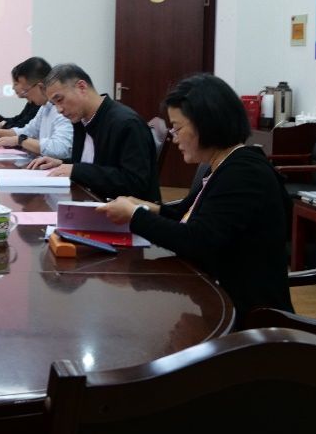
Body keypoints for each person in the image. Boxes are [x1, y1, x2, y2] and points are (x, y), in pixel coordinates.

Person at [97, 74, 293, 320]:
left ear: (206, 124)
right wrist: (149, 208)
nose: (174, 137)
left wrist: (135, 216)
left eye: (177, 127)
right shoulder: (225, 163)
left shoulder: (244, 173)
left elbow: (197, 240)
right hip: (214, 294)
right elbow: (187, 214)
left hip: (248, 316)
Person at [29, 63, 159, 201]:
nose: (59, 110)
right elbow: (93, 162)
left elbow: (135, 183)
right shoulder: (80, 120)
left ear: (82, 87)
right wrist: (61, 163)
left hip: (120, 209)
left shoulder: (126, 123)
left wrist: (76, 170)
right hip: (91, 201)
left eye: (60, 100)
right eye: (54, 104)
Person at [0, 57, 72, 159]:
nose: (25, 95)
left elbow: (60, 149)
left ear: (40, 87)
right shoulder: (44, 108)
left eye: (26, 90)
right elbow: (27, 131)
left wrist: (20, 140)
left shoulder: (62, 109)